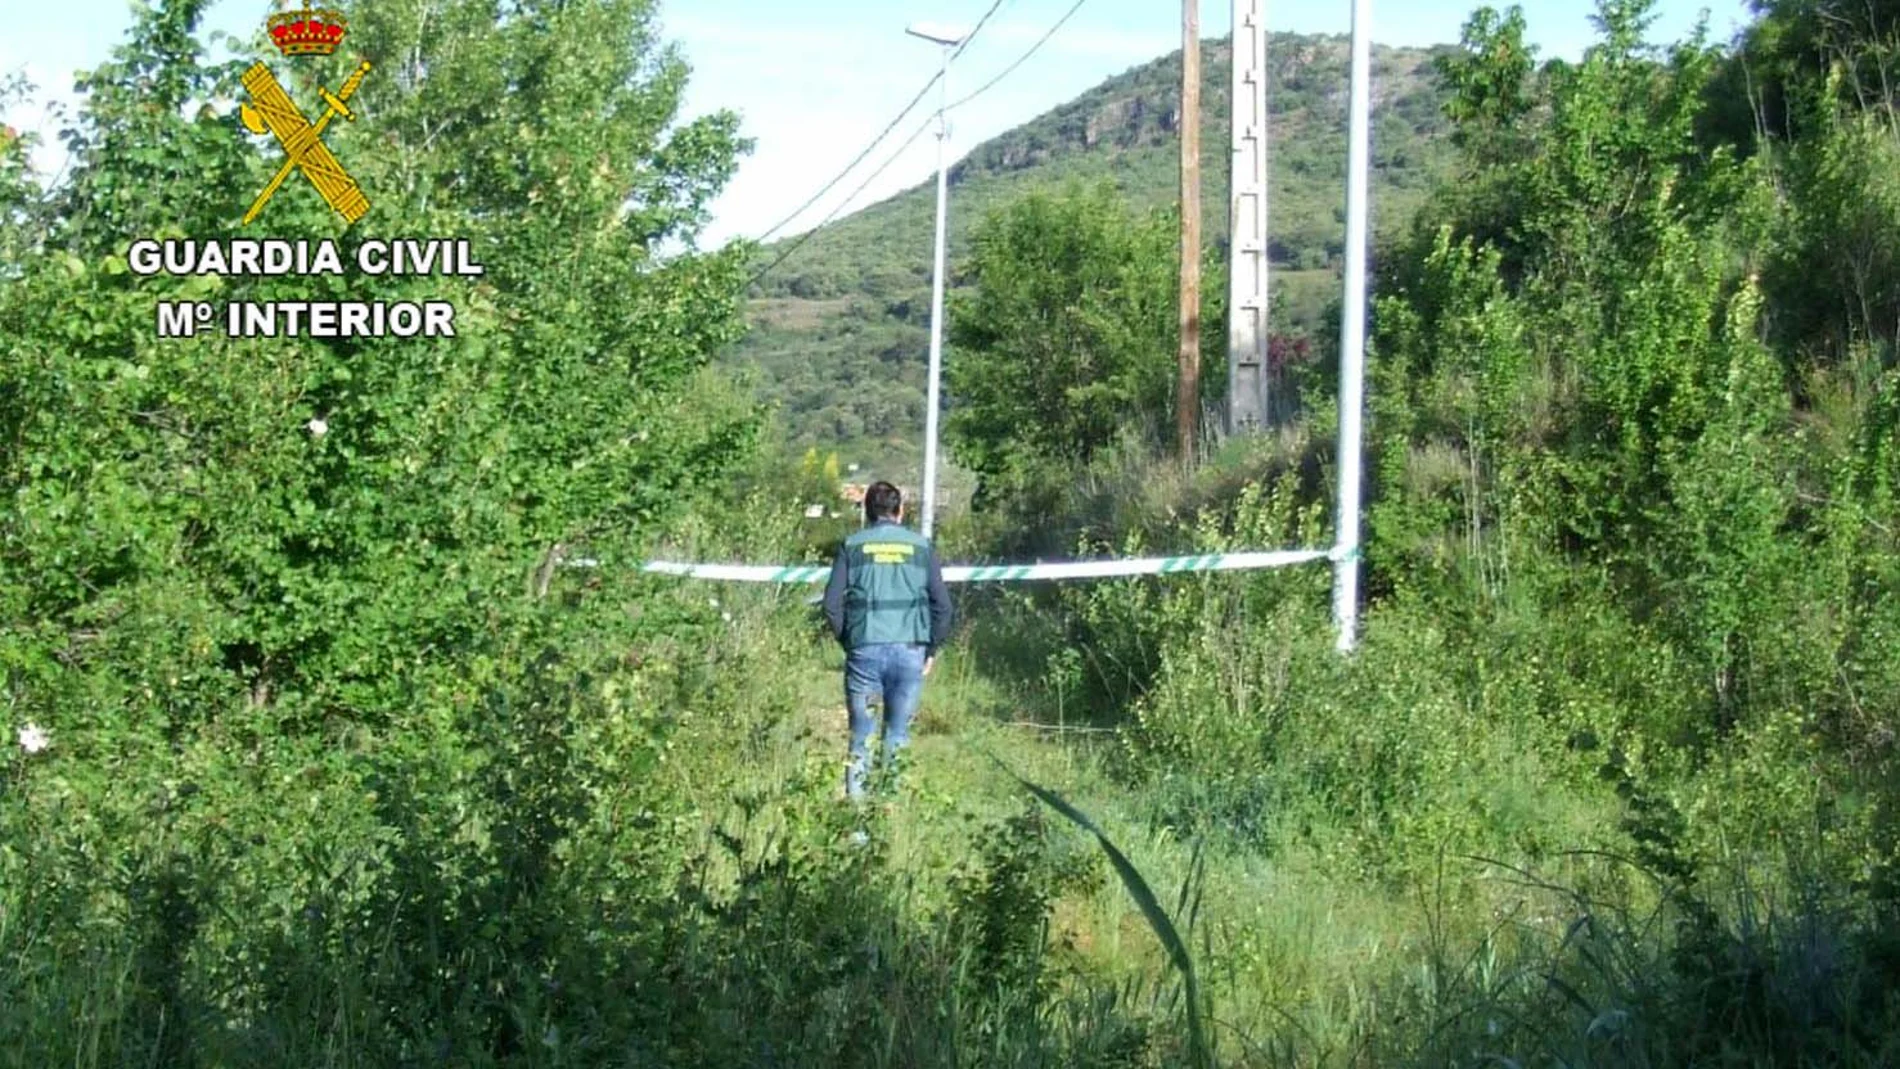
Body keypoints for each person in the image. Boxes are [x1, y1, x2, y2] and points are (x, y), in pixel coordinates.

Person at [822, 480, 953, 801]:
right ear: (901, 511)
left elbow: (830, 605)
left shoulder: (852, 545)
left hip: (864, 649)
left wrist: (849, 641)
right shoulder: (922, 548)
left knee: (861, 737)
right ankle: (887, 817)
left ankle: (857, 831)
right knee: (897, 735)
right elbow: (944, 607)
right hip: (910, 651)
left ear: (866, 512)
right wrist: (931, 649)